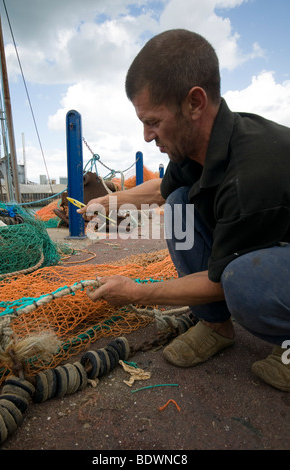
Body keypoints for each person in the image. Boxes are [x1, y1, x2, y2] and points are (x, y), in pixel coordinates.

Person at [78, 29, 290, 392]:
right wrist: (107, 202)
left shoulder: (250, 173)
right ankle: (215, 326)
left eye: (153, 122)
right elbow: (163, 192)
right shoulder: (198, 146)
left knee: (242, 281)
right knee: (179, 204)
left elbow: (217, 283)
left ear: (195, 103)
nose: (146, 136)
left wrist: (138, 293)